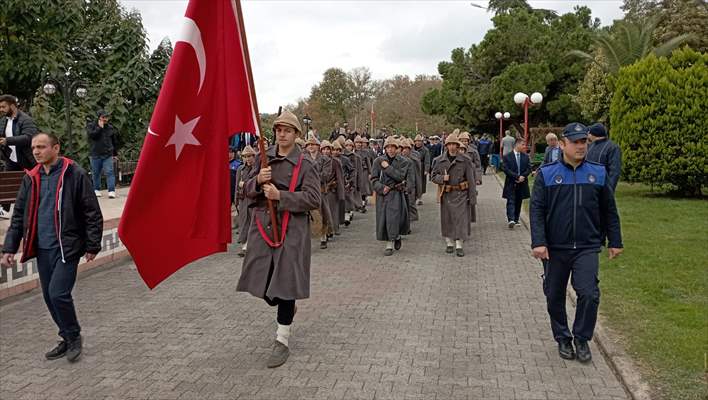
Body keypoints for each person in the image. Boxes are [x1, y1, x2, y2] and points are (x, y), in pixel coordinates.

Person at [1, 132, 103, 363]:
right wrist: (9, 248)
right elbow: (18, 216)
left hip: (67, 247)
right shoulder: (32, 177)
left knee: (59, 294)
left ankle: (74, 337)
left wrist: (92, 244)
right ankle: (66, 337)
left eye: (42, 146)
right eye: (34, 147)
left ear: (56, 148)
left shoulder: (73, 173)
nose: (36, 151)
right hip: (42, 247)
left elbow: (91, 211)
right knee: (48, 296)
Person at [530, 122, 623, 363]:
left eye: (585, 142)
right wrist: (539, 242)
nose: (581, 146)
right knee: (554, 294)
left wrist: (615, 240)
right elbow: (537, 210)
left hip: (587, 246)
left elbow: (609, 210)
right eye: (576, 142)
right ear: (562, 145)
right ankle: (562, 337)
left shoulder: (597, 173)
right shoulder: (547, 173)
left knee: (589, 294)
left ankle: (582, 338)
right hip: (555, 248)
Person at [236, 110, 321, 369]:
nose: (282, 134)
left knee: (285, 283)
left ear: (296, 135)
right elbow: (247, 191)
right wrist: (256, 181)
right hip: (262, 228)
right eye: (278, 130)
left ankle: (281, 339)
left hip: (292, 230)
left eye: (287, 130)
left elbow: (313, 199)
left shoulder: (305, 165)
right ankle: (285, 304)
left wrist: (281, 197)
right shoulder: (264, 159)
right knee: (260, 280)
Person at [431, 132, 475, 257]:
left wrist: (472, 198)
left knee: (460, 218)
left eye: (454, 144)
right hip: (447, 193)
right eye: (449, 144)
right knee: (447, 218)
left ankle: (459, 244)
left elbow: (471, 179)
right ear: (446, 146)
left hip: (461, 193)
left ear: (457, 145)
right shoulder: (439, 161)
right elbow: (433, 176)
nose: (452, 147)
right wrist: (441, 178)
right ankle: (449, 242)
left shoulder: (465, 160)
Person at [0, 94, 38, 218]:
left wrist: (7, 141)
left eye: (3, 107)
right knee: (7, 183)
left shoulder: (25, 119)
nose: (1, 109)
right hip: (11, 158)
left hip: (27, 159)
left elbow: (29, 137)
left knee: (34, 184)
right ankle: (5, 210)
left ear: (12, 106)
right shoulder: (4, 120)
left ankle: (37, 207)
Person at [370, 137, 409, 256]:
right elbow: (373, 179)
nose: (391, 150)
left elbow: (400, 176)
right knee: (384, 219)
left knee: (394, 218)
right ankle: (391, 239)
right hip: (383, 195)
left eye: (393, 147)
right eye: (388, 147)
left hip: (396, 193)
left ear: (397, 149)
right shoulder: (378, 161)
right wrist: (381, 188)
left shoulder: (403, 161)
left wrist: (387, 168)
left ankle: (392, 241)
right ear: (385, 148)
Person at [304, 136, 334, 250]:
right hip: (307, 190)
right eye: (309, 145)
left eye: (313, 144)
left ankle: (323, 236)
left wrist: (311, 178)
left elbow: (326, 175)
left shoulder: (325, 159)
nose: (311, 147)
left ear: (318, 146)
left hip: (321, 190)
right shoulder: (303, 158)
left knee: (323, 213)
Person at [86, 110, 119, 198]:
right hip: (95, 154)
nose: (105, 119)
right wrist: (99, 128)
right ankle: (96, 189)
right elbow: (92, 136)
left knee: (110, 172)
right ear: (99, 117)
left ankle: (111, 191)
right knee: (96, 173)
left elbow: (113, 141)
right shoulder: (91, 126)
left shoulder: (110, 128)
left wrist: (115, 154)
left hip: (107, 153)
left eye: (106, 117)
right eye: (103, 117)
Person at [318, 140, 345, 242]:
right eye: (324, 149)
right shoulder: (318, 160)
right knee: (323, 213)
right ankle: (325, 232)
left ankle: (332, 229)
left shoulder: (335, 162)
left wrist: (340, 192)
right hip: (321, 189)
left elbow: (339, 177)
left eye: (328, 149)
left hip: (332, 190)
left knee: (332, 212)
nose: (326, 151)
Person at [502, 140, 531, 228]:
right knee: (511, 200)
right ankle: (511, 219)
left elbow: (529, 168)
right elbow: (506, 169)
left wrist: (522, 177)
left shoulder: (525, 157)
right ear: (517, 145)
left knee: (519, 201)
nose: (524, 146)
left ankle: (516, 219)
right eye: (522, 144)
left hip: (522, 183)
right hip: (511, 182)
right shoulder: (507, 156)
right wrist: (516, 177)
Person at [586, 123, 621, 191]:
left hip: (603, 187)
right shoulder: (590, 146)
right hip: (589, 187)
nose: (588, 135)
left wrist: (609, 190)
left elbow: (614, 171)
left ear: (594, 134)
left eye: (589, 133)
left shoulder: (613, 147)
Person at [235, 145, 256, 257]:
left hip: (253, 199)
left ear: (254, 156)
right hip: (243, 199)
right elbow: (237, 186)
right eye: (245, 156)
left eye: (250, 156)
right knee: (243, 222)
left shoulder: (257, 168)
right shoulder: (240, 169)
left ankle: (253, 245)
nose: (248, 159)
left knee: (253, 222)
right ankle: (244, 245)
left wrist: (246, 184)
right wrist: (236, 201)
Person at [354, 136, 373, 211]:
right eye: (357, 143)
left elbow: (368, 162)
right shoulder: (353, 152)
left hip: (364, 170)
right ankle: (357, 203)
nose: (358, 144)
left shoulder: (365, 152)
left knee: (364, 187)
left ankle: (363, 202)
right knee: (356, 187)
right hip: (356, 171)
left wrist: (370, 172)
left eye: (360, 143)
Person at [413, 134, 431, 204]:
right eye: (416, 141)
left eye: (419, 141)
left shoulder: (425, 150)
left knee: (421, 183)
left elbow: (427, 160)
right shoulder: (412, 149)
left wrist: (426, 170)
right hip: (413, 167)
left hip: (421, 167)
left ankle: (420, 198)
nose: (418, 142)